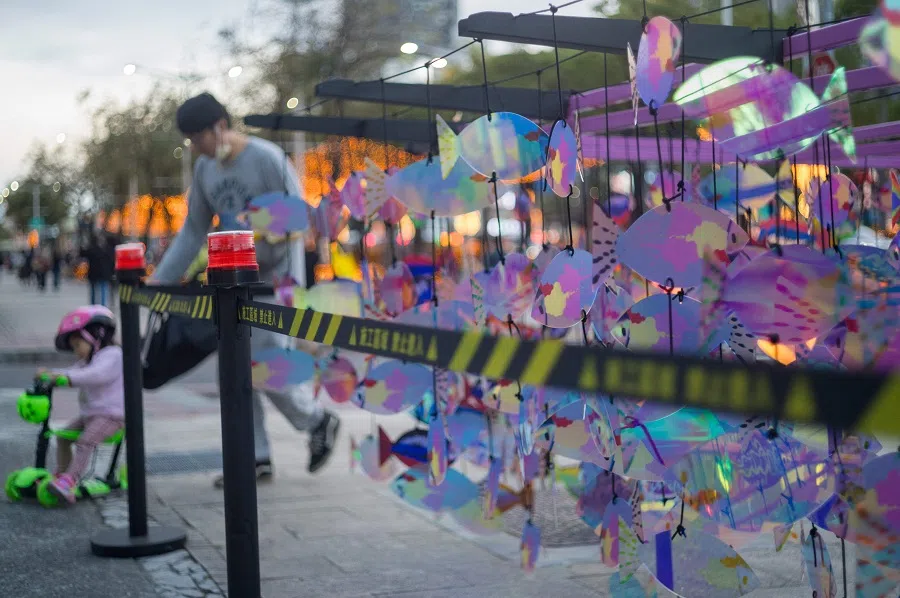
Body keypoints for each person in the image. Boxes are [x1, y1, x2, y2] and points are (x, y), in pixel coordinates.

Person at [148, 92, 340, 486]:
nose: (196, 148)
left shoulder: (266, 158)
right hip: (232, 287)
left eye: (197, 138)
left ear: (219, 126)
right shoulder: (205, 170)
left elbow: (297, 220)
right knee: (233, 374)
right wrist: (160, 281)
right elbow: (193, 231)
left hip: (275, 284)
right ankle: (253, 458)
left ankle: (317, 419)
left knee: (264, 371)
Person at [41, 306, 124, 504]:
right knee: (62, 437)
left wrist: (65, 377)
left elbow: (95, 376)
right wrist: (50, 374)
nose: (76, 351)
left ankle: (70, 481)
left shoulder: (112, 355)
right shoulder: (89, 359)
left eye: (78, 345)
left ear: (97, 336)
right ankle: (61, 476)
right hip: (91, 415)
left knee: (84, 442)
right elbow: (71, 371)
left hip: (111, 416)